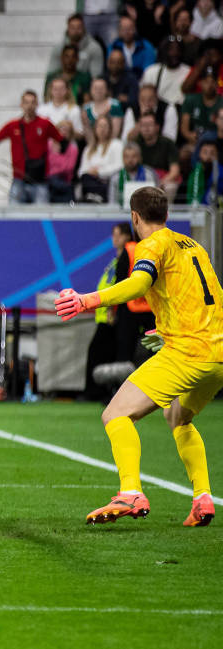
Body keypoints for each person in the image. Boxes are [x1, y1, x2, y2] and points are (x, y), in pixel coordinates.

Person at [54, 187, 223, 527]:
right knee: (178, 418)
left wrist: (87, 300)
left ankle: (130, 492)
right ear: (167, 215)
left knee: (115, 414)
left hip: (188, 354)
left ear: (134, 217)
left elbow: (139, 283)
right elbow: (208, 296)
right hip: (217, 355)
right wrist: (169, 329)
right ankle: (203, 498)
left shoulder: (150, 245)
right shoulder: (193, 246)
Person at [0, 90, 62, 204]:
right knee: (14, 212)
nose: (29, 106)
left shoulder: (45, 124)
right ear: (21, 104)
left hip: (40, 179)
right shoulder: (13, 125)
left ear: (37, 104)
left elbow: (62, 140)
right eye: (26, 102)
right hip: (19, 178)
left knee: (42, 212)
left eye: (32, 102)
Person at [84, 222, 133, 403]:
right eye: (114, 235)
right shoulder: (116, 260)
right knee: (102, 353)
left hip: (114, 314)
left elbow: (120, 287)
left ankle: (100, 391)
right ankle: (100, 391)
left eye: (118, 235)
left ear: (127, 236)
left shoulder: (127, 258)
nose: (115, 238)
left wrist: (113, 309)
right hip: (106, 314)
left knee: (102, 353)